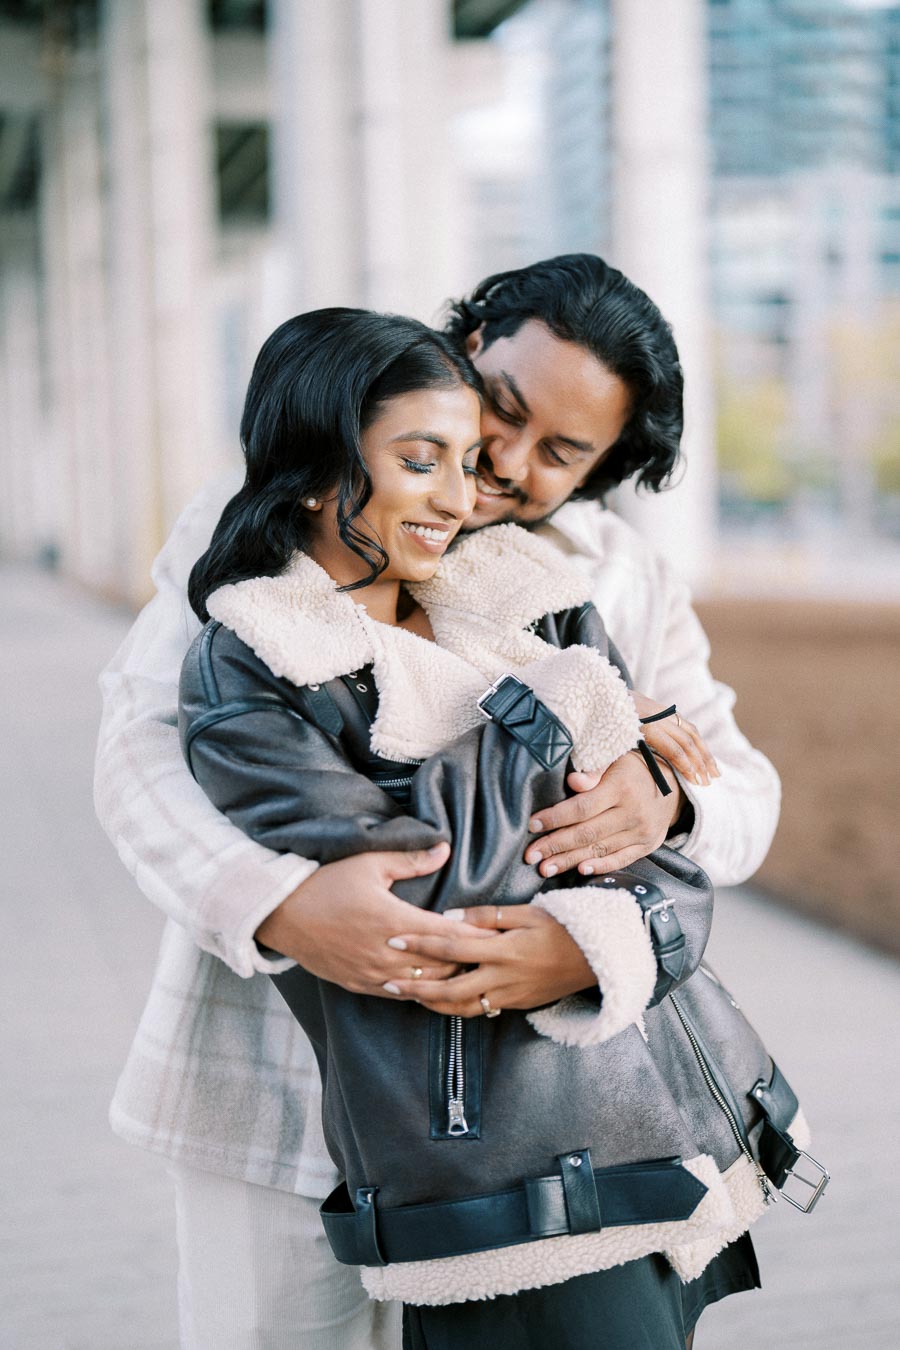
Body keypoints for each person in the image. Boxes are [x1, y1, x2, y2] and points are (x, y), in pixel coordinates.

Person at [94, 256, 780, 1349]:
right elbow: (138, 746)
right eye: (499, 407)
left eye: (559, 451)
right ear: (461, 348)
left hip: (523, 1127)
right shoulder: (263, 525)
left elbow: (741, 791)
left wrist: (657, 807)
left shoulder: (609, 579)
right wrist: (279, 904)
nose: (503, 462)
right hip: (272, 1097)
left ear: (604, 470)